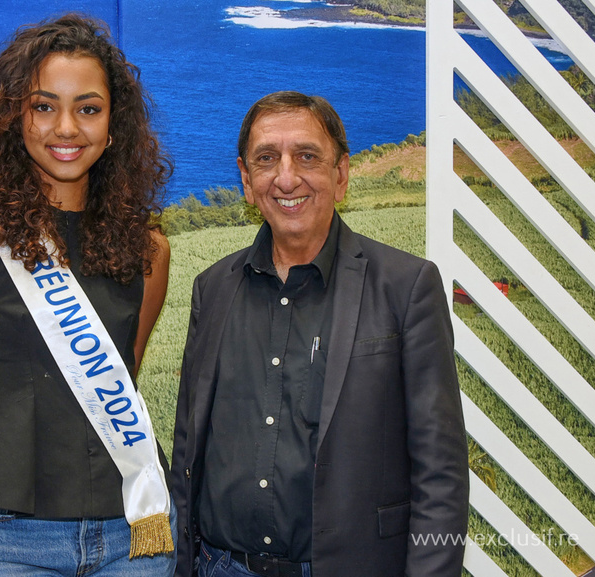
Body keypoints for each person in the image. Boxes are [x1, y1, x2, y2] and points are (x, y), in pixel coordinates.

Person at [171, 91, 469, 577]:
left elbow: (442, 475)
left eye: (306, 156)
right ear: (247, 180)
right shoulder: (213, 289)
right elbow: (188, 448)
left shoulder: (406, 287)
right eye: (267, 159)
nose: (286, 177)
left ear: (341, 174)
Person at [0, 14, 176, 576]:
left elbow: (119, 379)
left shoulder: (149, 249)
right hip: (8, 543)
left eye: (88, 108)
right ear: (16, 120)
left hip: (132, 532)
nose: (66, 128)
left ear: (114, 127)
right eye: (43, 106)